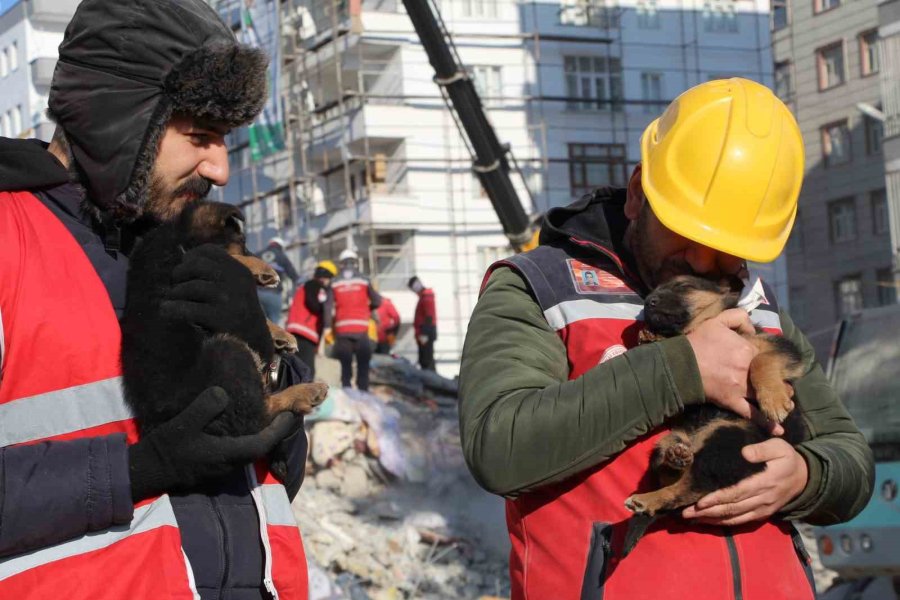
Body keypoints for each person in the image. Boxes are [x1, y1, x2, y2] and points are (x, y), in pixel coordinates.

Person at [459, 78, 874, 600]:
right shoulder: (542, 289)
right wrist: (680, 370)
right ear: (637, 195)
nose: (704, 264)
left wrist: (805, 477)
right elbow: (499, 447)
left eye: (728, 249)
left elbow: (850, 459)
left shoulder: (755, 309)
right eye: (688, 233)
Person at [0, 1, 311, 598]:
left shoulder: (190, 251)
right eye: (200, 136)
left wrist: (260, 361)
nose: (220, 168)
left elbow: (279, 474)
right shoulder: (10, 241)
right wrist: (134, 470)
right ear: (118, 120)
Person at [328, 248, 382, 390]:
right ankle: (363, 393)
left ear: (341, 264)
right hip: (361, 329)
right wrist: (367, 309)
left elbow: (328, 307)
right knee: (363, 365)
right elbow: (377, 300)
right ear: (355, 263)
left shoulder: (334, 282)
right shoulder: (364, 280)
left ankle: (348, 393)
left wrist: (327, 326)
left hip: (342, 330)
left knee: (346, 366)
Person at [286, 260, 337, 379]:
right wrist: (323, 310)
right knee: (307, 371)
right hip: (305, 333)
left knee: (295, 369)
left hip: (293, 332)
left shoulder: (303, 286)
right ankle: (304, 396)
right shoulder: (315, 286)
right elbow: (313, 304)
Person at [257, 236, 301, 325]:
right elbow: (293, 275)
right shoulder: (282, 256)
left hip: (257, 293)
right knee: (274, 323)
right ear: (281, 246)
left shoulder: (258, 255)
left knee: (259, 322)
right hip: (274, 293)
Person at [409, 276, 437, 371]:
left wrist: (424, 334)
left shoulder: (426, 297)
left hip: (425, 332)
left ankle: (432, 382)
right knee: (425, 360)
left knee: (426, 360)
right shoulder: (424, 297)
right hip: (424, 332)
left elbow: (429, 316)